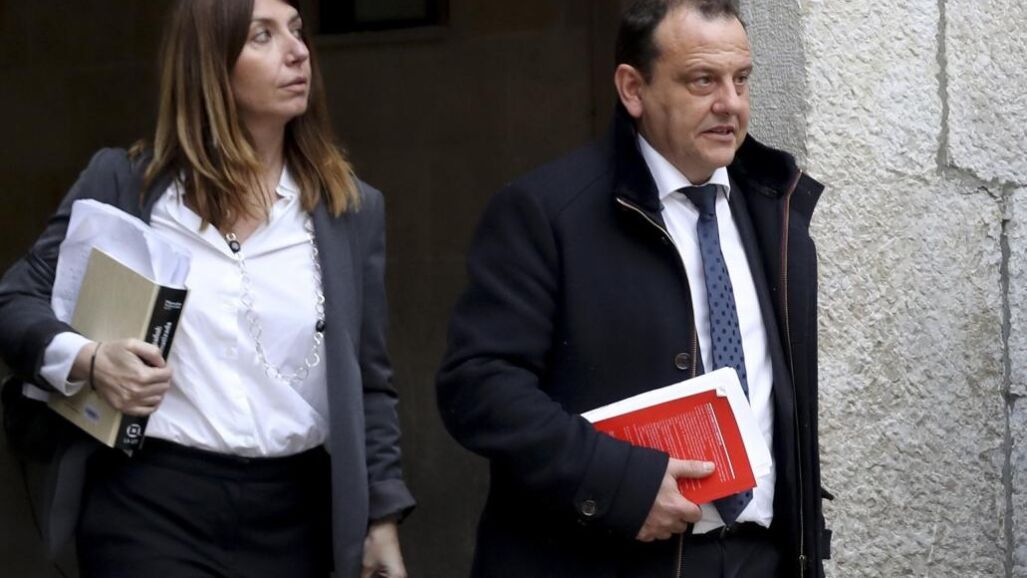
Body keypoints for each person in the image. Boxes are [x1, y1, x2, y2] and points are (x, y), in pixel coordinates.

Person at [0, 0, 414, 576]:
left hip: (295, 515)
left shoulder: (349, 210)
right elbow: (14, 301)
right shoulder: (128, 186)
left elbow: (370, 382)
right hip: (151, 505)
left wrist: (381, 517)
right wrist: (90, 360)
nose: (298, 52)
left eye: (297, 31)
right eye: (262, 36)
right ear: (209, 65)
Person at [436, 0, 830, 576]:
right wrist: (619, 483)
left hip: (760, 557)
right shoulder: (546, 213)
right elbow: (477, 387)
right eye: (702, 81)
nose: (731, 103)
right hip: (606, 559)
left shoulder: (776, 208)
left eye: (741, 79)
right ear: (632, 89)